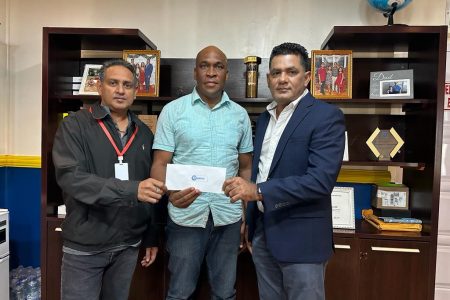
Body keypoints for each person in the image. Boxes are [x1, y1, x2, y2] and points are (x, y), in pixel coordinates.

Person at [223, 42, 346, 300]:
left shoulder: (326, 116)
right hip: (264, 236)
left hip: (302, 242)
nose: (282, 79)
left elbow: (320, 181)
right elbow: (261, 170)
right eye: (276, 73)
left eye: (291, 72)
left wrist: (257, 191)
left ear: (308, 77)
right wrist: (250, 223)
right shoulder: (265, 117)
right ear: (268, 78)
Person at [52, 59, 167, 300]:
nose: (120, 90)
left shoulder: (144, 132)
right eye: (113, 83)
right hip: (85, 246)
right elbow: (72, 178)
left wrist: (150, 236)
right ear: (98, 86)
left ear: (136, 92)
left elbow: (151, 188)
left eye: (127, 85)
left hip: (127, 245)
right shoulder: (75, 126)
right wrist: (131, 190)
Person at [150, 45, 253, 300]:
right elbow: (160, 163)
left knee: (224, 293)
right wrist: (170, 194)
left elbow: (246, 167)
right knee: (180, 293)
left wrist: (244, 216)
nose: (211, 72)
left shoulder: (240, 116)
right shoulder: (173, 111)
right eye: (204, 66)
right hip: (185, 217)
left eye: (218, 66)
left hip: (227, 218)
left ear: (226, 74)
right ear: (195, 72)